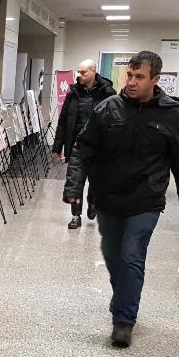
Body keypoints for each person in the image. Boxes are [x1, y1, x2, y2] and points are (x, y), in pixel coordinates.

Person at [64, 51, 179, 348]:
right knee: (113, 255)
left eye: (140, 77)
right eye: (130, 76)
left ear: (155, 79)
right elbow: (83, 150)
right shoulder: (107, 109)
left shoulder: (170, 113)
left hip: (146, 199)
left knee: (131, 256)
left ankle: (124, 320)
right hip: (108, 197)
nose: (133, 82)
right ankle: (121, 293)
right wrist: (74, 187)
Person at [52, 59, 115, 229]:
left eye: (83, 72)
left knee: (96, 181)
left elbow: (115, 123)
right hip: (77, 146)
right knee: (75, 181)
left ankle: (93, 202)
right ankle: (75, 216)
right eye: (78, 72)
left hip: (99, 148)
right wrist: (58, 147)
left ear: (94, 71)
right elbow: (63, 121)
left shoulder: (108, 93)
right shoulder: (73, 93)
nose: (79, 75)